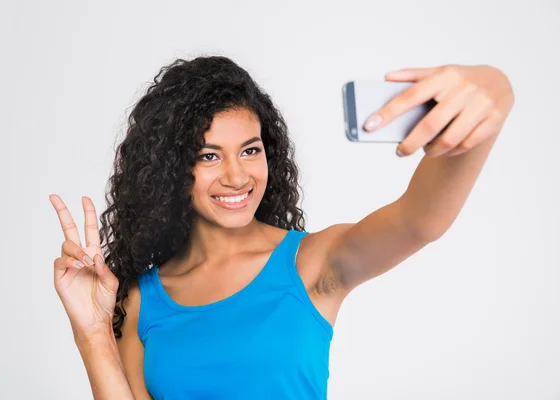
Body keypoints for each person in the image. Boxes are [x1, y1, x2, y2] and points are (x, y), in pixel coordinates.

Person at [49, 56, 514, 399]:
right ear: (171, 169)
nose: (236, 175)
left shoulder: (312, 262)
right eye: (209, 156)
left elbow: (418, 221)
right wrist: (92, 333)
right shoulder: (142, 298)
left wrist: (493, 90)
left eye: (250, 150)